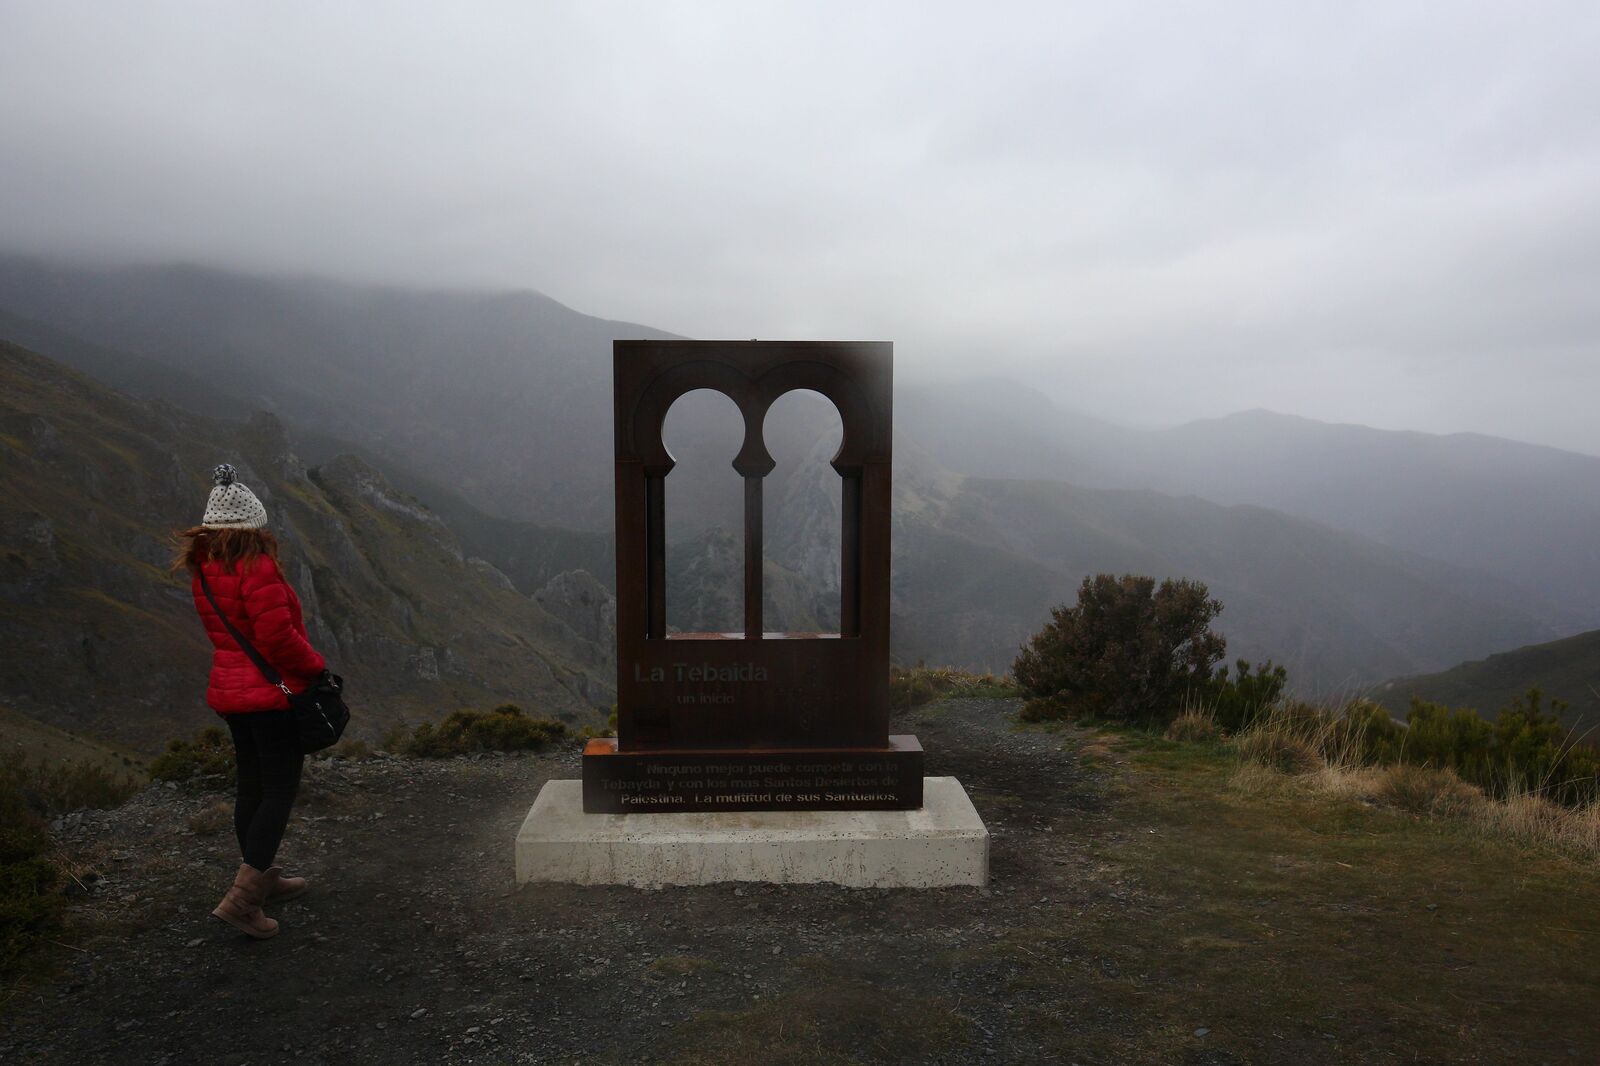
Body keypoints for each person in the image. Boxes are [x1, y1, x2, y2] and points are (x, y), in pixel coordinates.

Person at [173, 463, 328, 939]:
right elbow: (278, 638)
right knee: (279, 791)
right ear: (252, 524)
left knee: (252, 788)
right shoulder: (256, 567)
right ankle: (244, 901)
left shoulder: (205, 567)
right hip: (270, 694)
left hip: (232, 691)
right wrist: (317, 669)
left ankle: (261, 876)